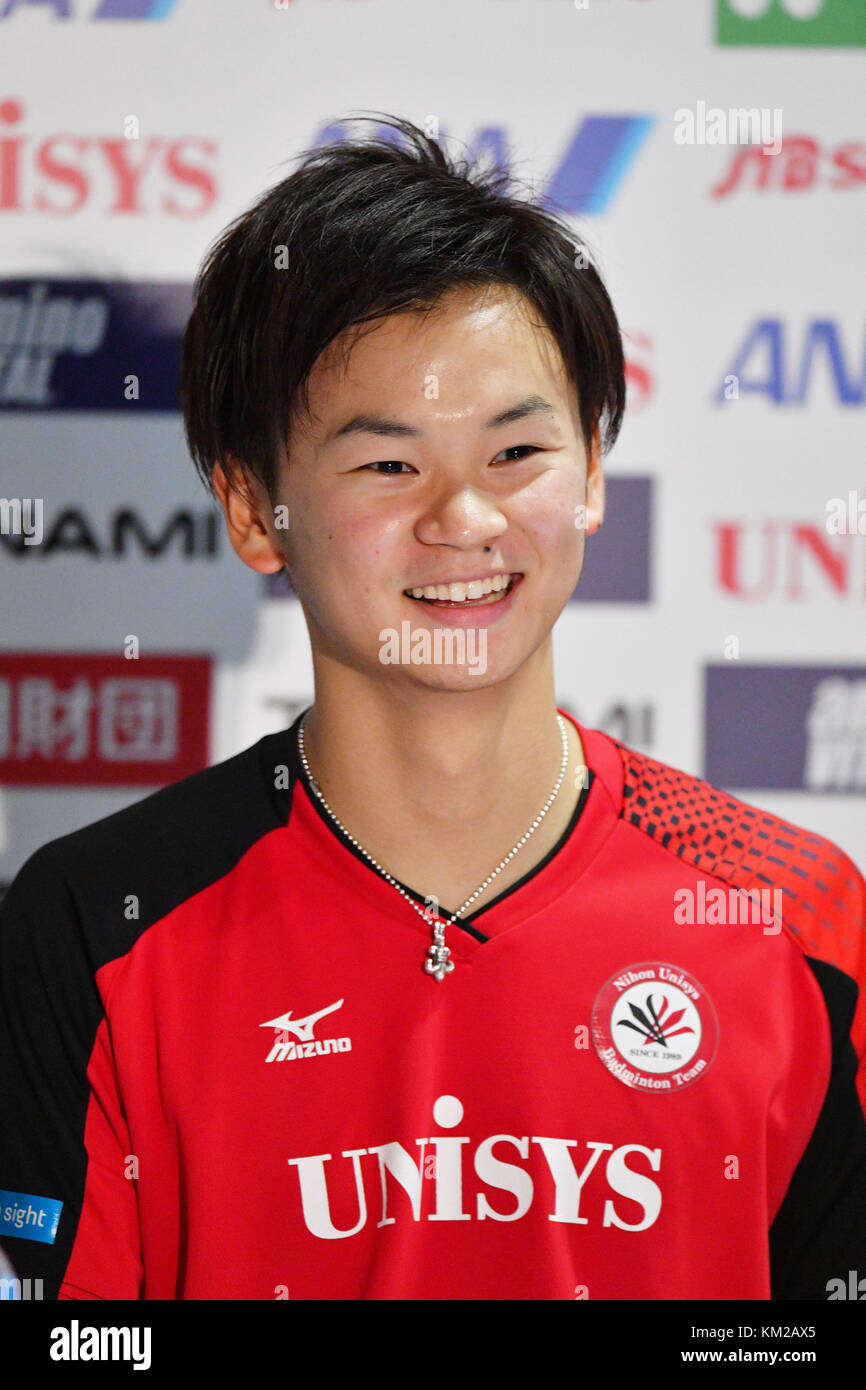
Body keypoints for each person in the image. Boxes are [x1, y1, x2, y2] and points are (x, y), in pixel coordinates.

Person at [1, 114, 864, 1302]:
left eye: (517, 452)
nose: (466, 518)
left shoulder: (790, 917)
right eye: (388, 464)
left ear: (594, 470)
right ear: (255, 509)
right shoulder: (96, 926)